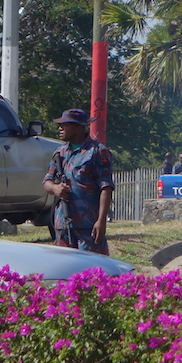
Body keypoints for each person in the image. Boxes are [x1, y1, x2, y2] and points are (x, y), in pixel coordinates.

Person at [43, 109, 114, 256]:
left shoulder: (97, 152)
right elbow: (47, 182)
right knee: (65, 270)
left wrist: (101, 221)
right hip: (63, 223)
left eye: (65, 125)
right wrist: (55, 189)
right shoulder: (59, 153)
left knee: (92, 270)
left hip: (88, 225)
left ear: (78, 127)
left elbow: (106, 187)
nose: (60, 128)